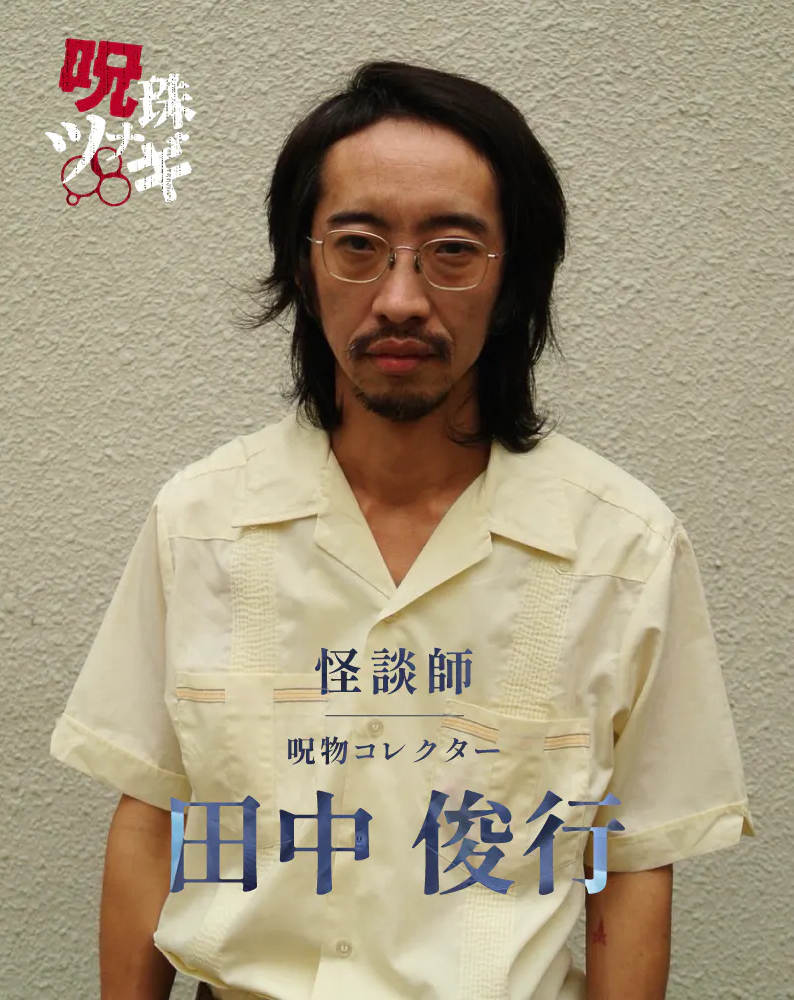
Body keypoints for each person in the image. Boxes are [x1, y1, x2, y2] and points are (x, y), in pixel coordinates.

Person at [50, 60, 755, 1000]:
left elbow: (628, 868)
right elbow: (151, 816)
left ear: (513, 279)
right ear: (306, 268)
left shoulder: (624, 551)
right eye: (359, 244)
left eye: (453, 249)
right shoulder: (200, 524)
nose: (400, 299)